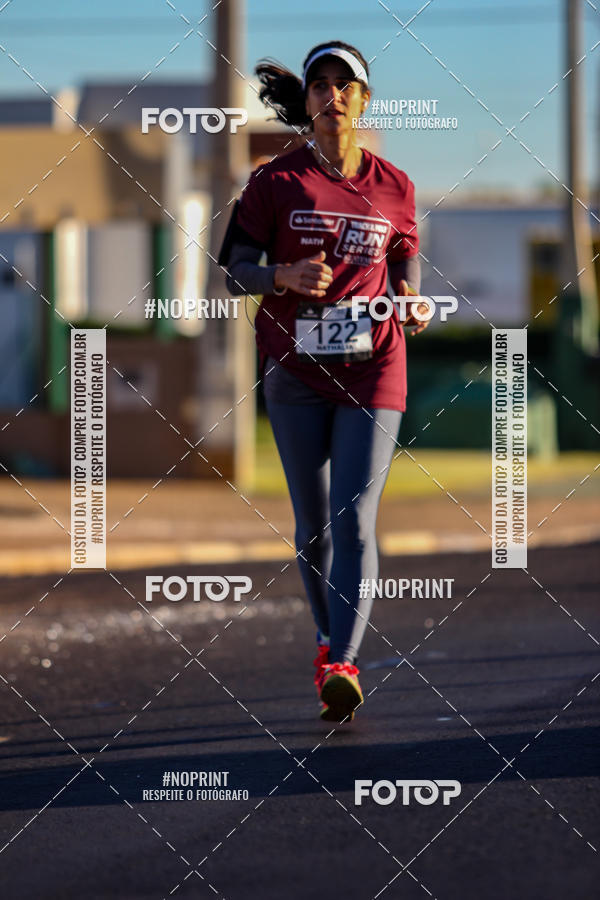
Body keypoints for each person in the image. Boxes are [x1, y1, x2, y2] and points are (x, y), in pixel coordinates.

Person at [222, 41, 428, 723]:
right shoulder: (273, 183)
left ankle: (343, 662)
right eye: (320, 86)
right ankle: (324, 640)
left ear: (365, 100)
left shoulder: (396, 185)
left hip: (375, 366)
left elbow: (404, 259)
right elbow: (232, 271)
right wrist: (279, 276)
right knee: (313, 529)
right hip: (294, 370)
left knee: (354, 520)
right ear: (307, 101)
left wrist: (412, 299)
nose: (333, 97)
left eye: (347, 86)